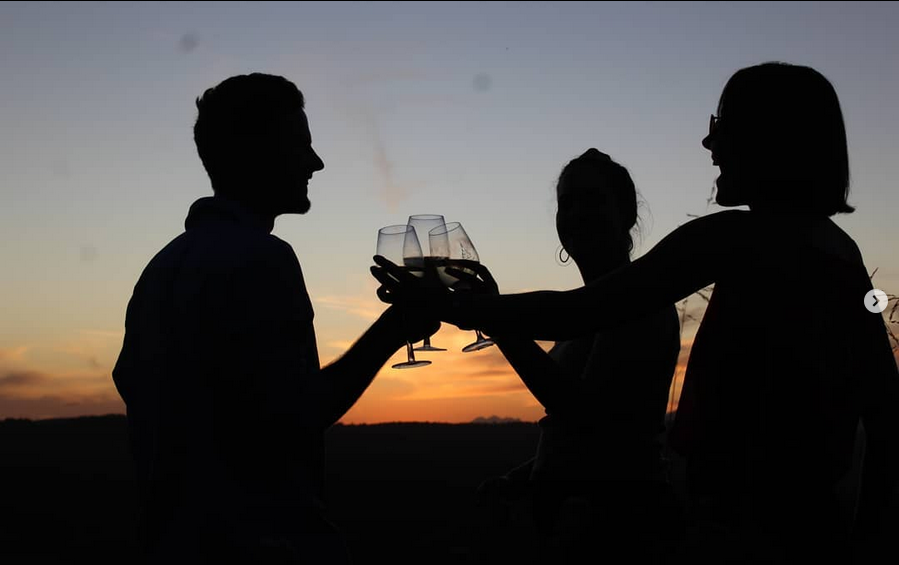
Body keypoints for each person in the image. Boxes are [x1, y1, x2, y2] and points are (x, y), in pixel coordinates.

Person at [373, 62, 899, 563]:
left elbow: (581, 312)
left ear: (771, 139)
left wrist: (460, 308)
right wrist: (867, 539)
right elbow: (886, 411)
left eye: (721, 124)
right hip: (810, 527)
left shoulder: (736, 237)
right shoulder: (840, 253)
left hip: (740, 530)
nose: (708, 142)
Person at [112, 73, 438, 564]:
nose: (316, 162)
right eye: (300, 144)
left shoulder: (162, 268)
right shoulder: (262, 258)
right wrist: (395, 329)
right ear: (253, 152)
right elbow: (299, 414)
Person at [469, 149, 683, 564]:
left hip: (619, 529)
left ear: (628, 214)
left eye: (592, 200)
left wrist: (496, 320)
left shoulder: (641, 300)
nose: (576, 213)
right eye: (567, 203)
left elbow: (586, 414)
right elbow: (579, 436)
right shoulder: (585, 309)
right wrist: (522, 479)